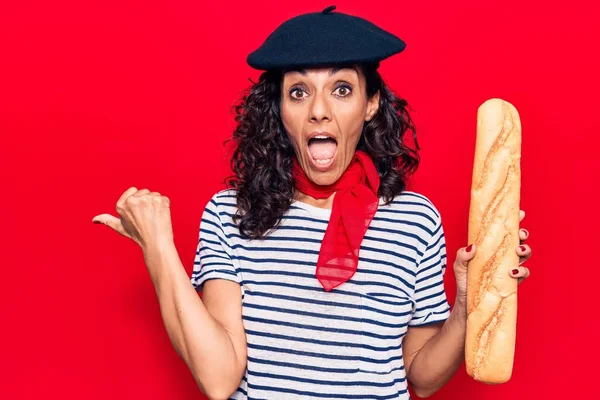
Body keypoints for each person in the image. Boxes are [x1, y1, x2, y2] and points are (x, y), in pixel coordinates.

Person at [92, 5, 533, 400]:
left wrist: (469, 300)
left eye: (341, 89)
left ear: (371, 103)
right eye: (299, 92)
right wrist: (158, 248)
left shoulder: (414, 220)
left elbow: (422, 376)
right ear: (279, 111)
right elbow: (218, 378)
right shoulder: (232, 213)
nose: (319, 110)